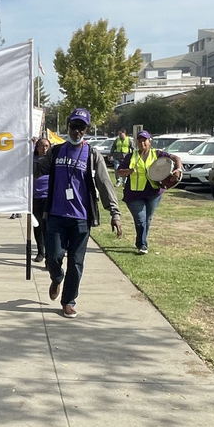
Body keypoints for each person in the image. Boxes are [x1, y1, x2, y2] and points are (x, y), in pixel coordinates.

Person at [37, 108, 123, 318]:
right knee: (53, 258)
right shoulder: (56, 152)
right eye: (74, 126)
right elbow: (37, 168)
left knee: (76, 262)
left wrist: (115, 213)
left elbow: (104, 184)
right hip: (56, 216)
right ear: (68, 126)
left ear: (86, 130)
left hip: (80, 219)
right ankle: (57, 278)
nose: (77, 131)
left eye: (81, 128)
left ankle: (68, 301)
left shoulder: (92, 155)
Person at [115, 130, 181, 255]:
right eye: (139, 141)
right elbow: (119, 172)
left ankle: (140, 240)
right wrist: (128, 171)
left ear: (149, 142)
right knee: (140, 219)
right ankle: (142, 245)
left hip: (154, 192)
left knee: (147, 219)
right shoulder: (131, 156)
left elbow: (175, 158)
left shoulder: (157, 154)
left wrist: (178, 169)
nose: (142, 143)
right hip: (134, 194)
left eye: (144, 140)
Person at [32, 137, 51, 263]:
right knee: (37, 225)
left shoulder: (52, 162)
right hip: (35, 198)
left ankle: (50, 254)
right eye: (41, 146)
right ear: (36, 148)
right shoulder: (31, 162)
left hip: (50, 199)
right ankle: (41, 251)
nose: (44, 148)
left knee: (49, 227)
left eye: (46, 146)